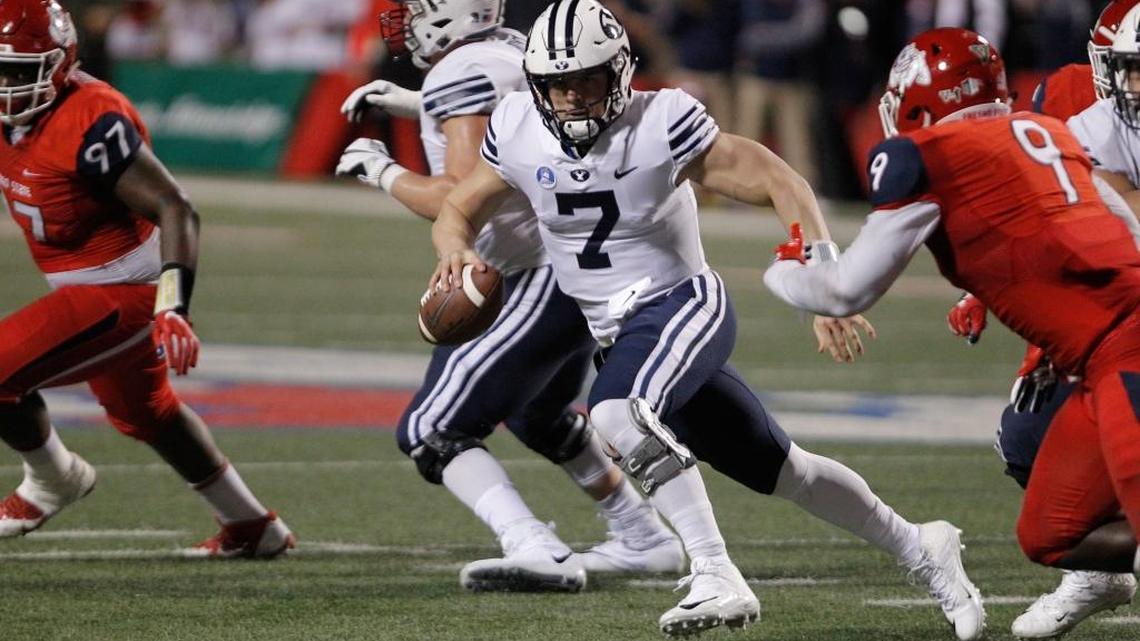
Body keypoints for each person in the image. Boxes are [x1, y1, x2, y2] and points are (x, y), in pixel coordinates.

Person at [431, 1, 985, 638]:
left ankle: (716, 573)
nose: (575, 96)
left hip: (681, 303)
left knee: (614, 414)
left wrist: (823, 273)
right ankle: (923, 546)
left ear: (620, 70)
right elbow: (460, 206)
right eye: (560, 83)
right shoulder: (517, 128)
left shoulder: (660, 121)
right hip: (616, 331)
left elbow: (782, 180)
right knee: (784, 470)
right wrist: (455, 251)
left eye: (588, 78)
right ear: (536, 85)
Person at [764, 23, 1140, 609]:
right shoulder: (1044, 130)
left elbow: (843, 291)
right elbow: (1124, 229)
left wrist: (784, 268)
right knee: (1050, 533)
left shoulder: (924, 154)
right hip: (1094, 362)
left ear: (914, 104)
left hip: (1126, 350)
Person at [334, 0, 683, 592]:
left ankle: (532, 544)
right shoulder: (520, 51)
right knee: (536, 413)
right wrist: (417, 105)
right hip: (581, 264)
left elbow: (459, 192)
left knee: (430, 427)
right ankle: (643, 537)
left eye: (420, 8)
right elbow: (511, 122)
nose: (408, 19)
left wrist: (381, 170)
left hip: (535, 269)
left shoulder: (459, 70)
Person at [0, 0, 293, 558]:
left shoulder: (89, 121)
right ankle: (253, 527)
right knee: (147, 413)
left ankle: (53, 478)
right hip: (83, 290)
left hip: (129, 291)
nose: (6, 86)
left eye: (18, 71)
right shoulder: (13, 118)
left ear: (59, 65)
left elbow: (175, 207)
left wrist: (172, 305)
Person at [945, 4, 1140, 635]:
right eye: (1134, 72)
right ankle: (1101, 570)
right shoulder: (1078, 107)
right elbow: (1045, 204)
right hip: (1115, 312)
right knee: (1029, 439)